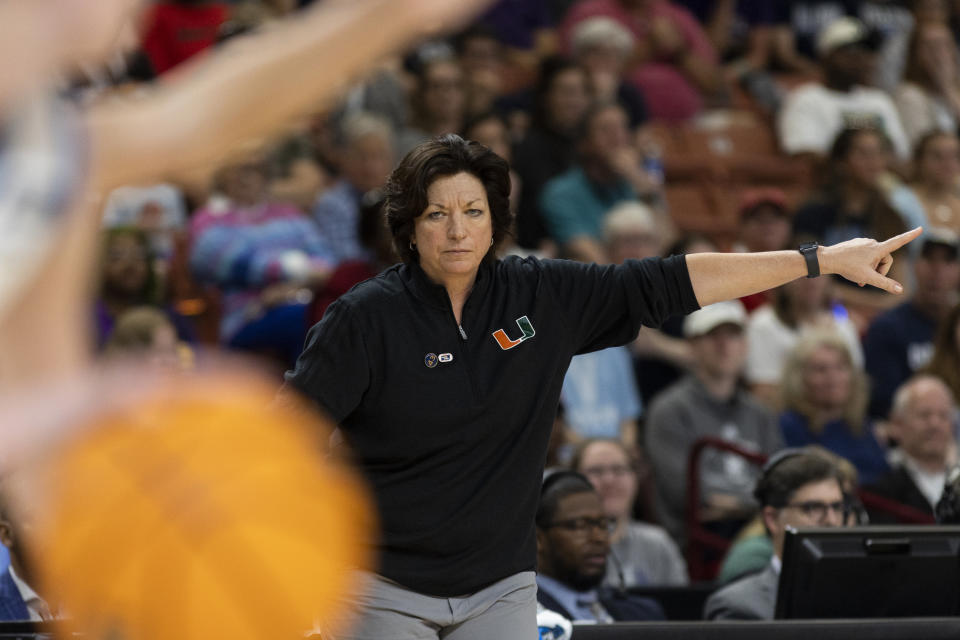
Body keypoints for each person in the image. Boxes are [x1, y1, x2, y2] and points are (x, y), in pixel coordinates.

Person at [283, 130, 920, 638]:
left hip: (500, 588)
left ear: (495, 217)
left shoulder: (541, 295)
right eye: (436, 214)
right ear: (409, 225)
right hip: (383, 586)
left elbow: (669, 280)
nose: (456, 230)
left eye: (472, 211)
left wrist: (818, 260)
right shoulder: (365, 318)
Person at [644, 300, 782, 545]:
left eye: (733, 335)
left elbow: (780, 482)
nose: (724, 345)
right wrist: (755, 503)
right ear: (691, 346)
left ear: (745, 346)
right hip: (699, 542)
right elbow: (683, 492)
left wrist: (739, 505)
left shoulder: (760, 413)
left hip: (757, 531)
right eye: (712, 335)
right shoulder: (668, 410)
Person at [703, 448, 851, 620]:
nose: (832, 521)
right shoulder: (738, 606)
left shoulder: (859, 595)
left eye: (837, 507)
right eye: (813, 508)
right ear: (772, 519)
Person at [540, 101, 664, 263]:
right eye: (606, 130)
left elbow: (666, 246)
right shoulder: (560, 193)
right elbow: (593, 261)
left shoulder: (634, 184)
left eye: (622, 128)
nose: (617, 138)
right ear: (584, 144)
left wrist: (642, 186)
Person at [534, 470, 665, 622]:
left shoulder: (643, 615)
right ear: (538, 539)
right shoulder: (524, 619)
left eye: (603, 524)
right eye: (580, 526)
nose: (599, 537)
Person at [777, 16, 911, 162]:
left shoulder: (879, 100)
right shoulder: (806, 99)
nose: (861, 58)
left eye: (866, 51)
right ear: (826, 56)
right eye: (852, 50)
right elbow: (804, 156)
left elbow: (901, 155)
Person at [863, 228, 960, 419]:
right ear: (913, 265)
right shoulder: (887, 328)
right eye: (929, 258)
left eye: (947, 261)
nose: (936, 270)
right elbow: (881, 405)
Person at [779, 329, 891, 485]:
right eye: (821, 369)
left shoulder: (862, 425)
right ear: (799, 378)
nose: (833, 378)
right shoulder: (788, 427)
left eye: (840, 367)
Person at [571, 439, 688, 586]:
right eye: (596, 471)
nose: (609, 480)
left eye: (619, 470)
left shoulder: (657, 544)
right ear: (572, 481)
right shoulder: (566, 548)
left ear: (635, 479)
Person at [867, 374, 957, 520]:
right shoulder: (879, 482)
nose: (935, 424)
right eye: (924, 415)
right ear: (897, 423)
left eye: (943, 416)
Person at [893, 19, 960, 148]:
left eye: (944, 45)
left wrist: (948, 89)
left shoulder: (955, 91)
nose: (938, 54)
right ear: (915, 54)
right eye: (930, 46)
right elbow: (923, 149)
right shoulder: (908, 95)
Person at [911, 130, 960, 235]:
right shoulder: (903, 202)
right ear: (920, 160)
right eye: (937, 156)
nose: (948, 164)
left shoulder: (957, 200)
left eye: (954, 156)